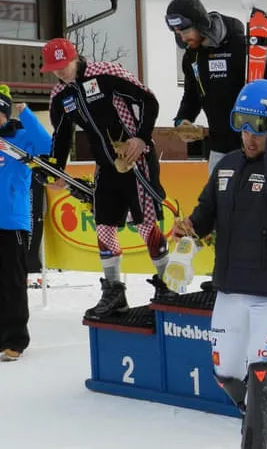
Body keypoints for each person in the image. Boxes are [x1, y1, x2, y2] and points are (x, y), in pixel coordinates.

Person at [171, 79, 267, 448]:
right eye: (242, 125)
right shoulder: (227, 165)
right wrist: (190, 227)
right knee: (226, 373)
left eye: (259, 127)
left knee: (260, 371)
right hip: (230, 288)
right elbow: (206, 213)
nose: (249, 136)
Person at [41, 37, 174, 319]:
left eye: (62, 65)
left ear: (74, 57)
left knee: (145, 225)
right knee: (104, 227)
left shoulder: (105, 73)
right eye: (53, 68)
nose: (59, 72)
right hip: (105, 167)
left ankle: (169, 285)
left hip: (135, 159)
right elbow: (61, 138)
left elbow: (148, 99)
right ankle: (114, 291)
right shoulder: (60, 96)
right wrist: (56, 170)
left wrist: (141, 136)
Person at [166, 0, 267, 175]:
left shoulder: (239, 46)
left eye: (185, 31)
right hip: (218, 147)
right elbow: (192, 94)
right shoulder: (191, 56)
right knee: (217, 201)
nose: (183, 38)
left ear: (200, 24)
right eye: (177, 33)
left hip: (252, 146)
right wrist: (182, 119)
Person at [0, 84, 52, 361]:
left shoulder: (18, 138)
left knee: (13, 282)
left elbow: (47, 147)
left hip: (12, 221)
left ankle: (15, 340)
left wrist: (27, 114)